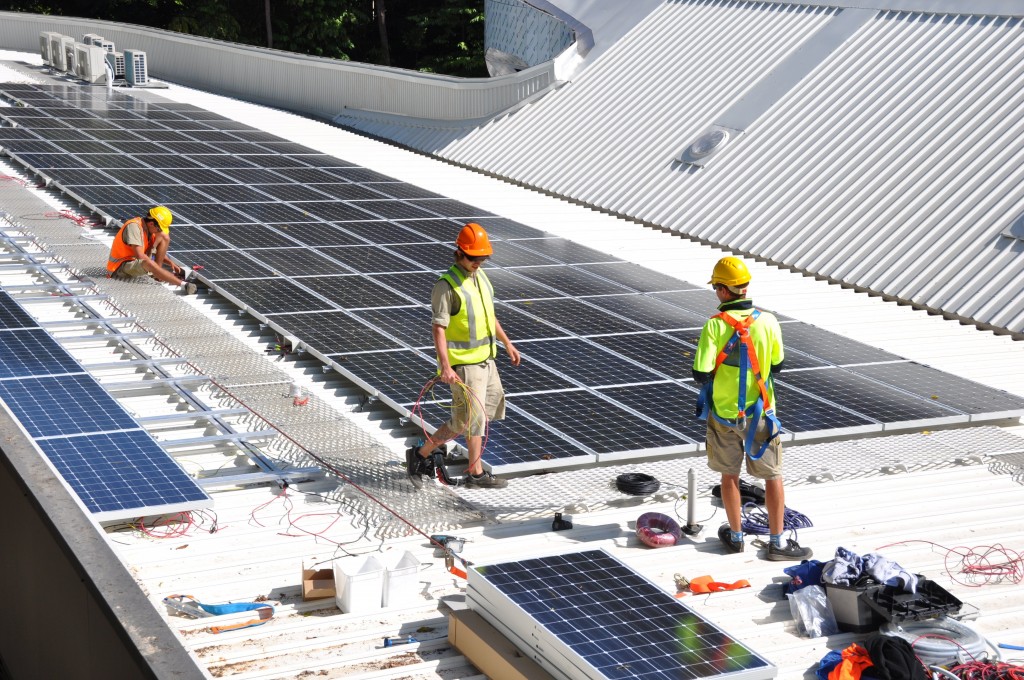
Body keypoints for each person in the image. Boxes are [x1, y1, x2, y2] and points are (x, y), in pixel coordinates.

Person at [692, 256, 812, 561]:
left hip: (724, 415)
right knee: (772, 477)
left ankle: (735, 538)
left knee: (729, 476)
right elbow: (778, 365)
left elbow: (700, 372)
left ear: (723, 290)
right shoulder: (768, 321)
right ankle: (778, 544)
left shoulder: (714, 325)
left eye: (716, 287)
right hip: (761, 414)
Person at [407, 222, 520, 490]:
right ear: (459, 253)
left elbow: (489, 315)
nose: (477, 263)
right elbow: (438, 328)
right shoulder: (446, 286)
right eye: (472, 258)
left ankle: (421, 455)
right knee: (473, 419)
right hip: (465, 365)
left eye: (482, 258)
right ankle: (475, 473)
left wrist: (507, 343)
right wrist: (446, 367)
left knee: (469, 420)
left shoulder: (480, 278)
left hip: (487, 360)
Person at [107, 206, 196, 294]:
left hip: (135, 262)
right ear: (151, 224)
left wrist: (170, 262)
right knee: (149, 263)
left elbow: (154, 252)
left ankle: (157, 274)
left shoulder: (149, 229)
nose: (159, 231)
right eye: (159, 229)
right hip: (120, 267)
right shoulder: (134, 227)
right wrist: (156, 269)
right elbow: (140, 255)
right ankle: (184, 285)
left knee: (164, 237)